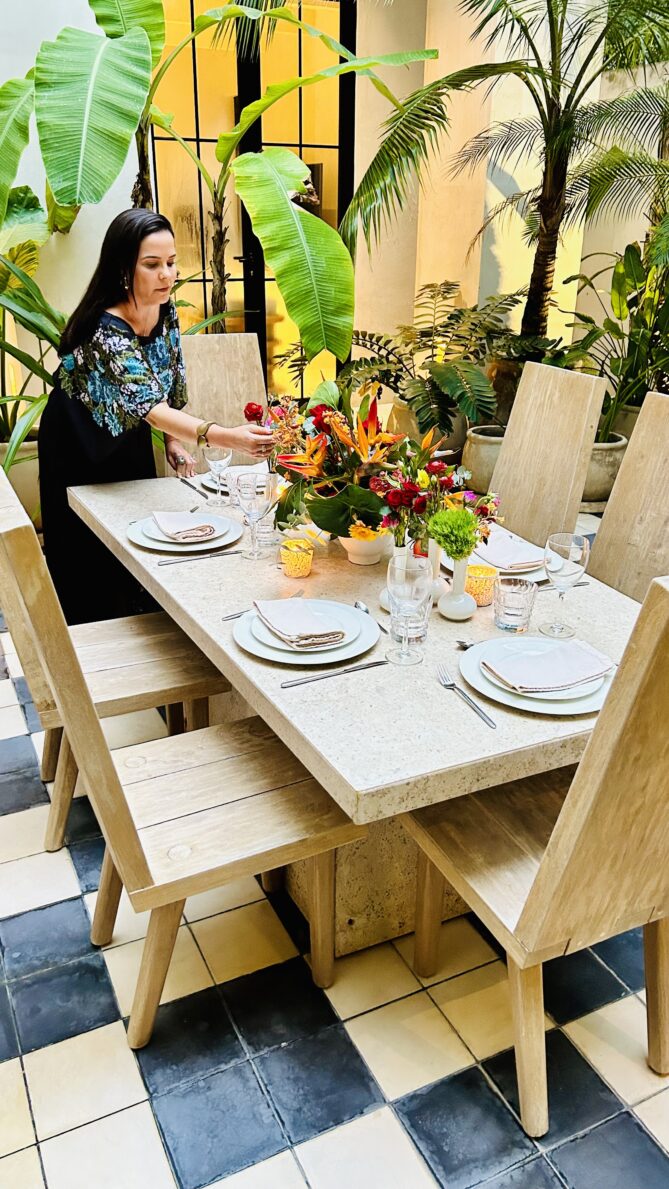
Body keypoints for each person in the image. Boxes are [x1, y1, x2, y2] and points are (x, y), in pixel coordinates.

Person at [39, 208, 273, 624]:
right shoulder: (104, 328)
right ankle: (92, 642)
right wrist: (230, 437)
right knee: (87, 551)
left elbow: (166, 384)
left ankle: (146, 624)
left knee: (137, 535)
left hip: (127, 430)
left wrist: (173, 440)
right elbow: (150, 406)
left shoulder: (164, 309)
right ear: (123, 269)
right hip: (76, 437)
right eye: (152, 265)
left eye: (171, 262)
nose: (167, 275)